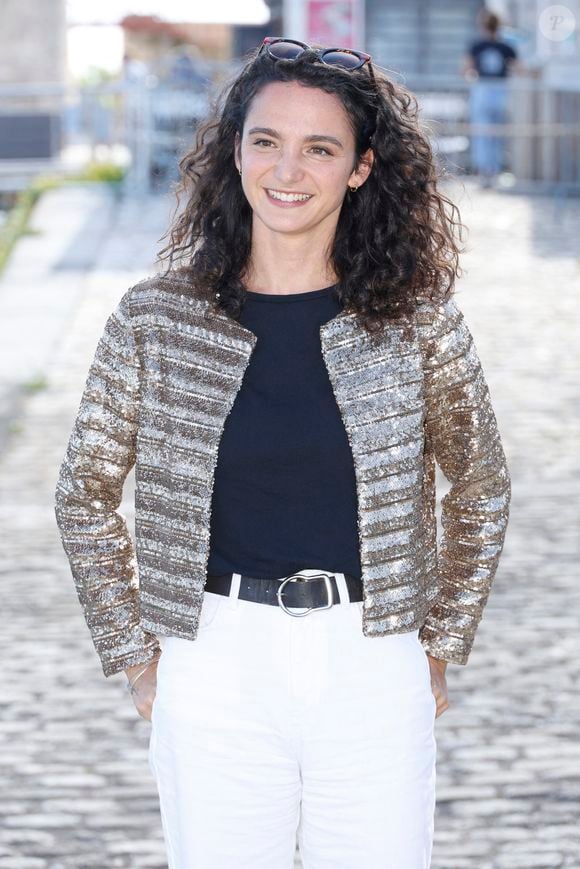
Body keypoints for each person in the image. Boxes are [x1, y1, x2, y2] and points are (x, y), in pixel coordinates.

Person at [55, 35, 512, 869]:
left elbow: (480, 483)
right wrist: (137, 656)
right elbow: (82, 491)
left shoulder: (417, 322)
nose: (288, 170)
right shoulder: (157, 320)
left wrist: (438, 645)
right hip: (213, 660)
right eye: (265, 140)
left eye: (320, 148)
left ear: (362, 168)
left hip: (373, 661)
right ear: (235, 153)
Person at [461, 9, 521, 188]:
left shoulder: (477, 45)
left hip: (483, 90)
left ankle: (484, 172)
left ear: (483, 26)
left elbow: (466, 70)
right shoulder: (506, 46)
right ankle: (494, 172)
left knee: (482, 133)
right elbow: (518, 68)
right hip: (500, 91)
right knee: (496, 133)